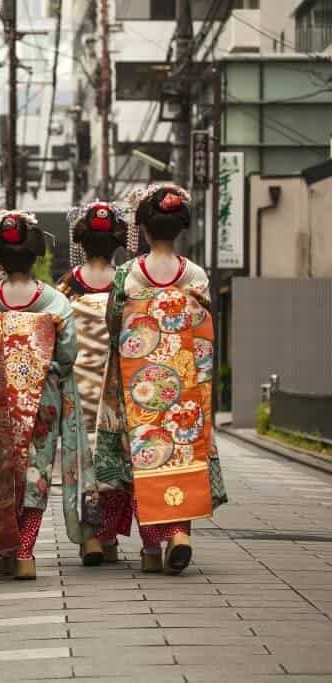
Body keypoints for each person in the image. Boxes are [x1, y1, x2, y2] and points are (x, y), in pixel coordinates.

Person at [94, 185, 229, 575]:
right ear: (179, 228)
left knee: (145, 457)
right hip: (184, 382)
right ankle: (180, 536)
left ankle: (152, 549)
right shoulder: (197, 276)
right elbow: (205, 333)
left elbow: (113, 325)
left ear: (145, 230)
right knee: (181, 451)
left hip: (138, 382)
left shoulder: (127, 275)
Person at [0, 210, 100, 580]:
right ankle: (24, 552)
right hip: (44, 396)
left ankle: (6, 548)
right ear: (36, 255)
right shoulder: (54, 303)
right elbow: (68, 355)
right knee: (36, 472)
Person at [57, 200, 136, 566]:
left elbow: (57, 337)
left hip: (78, 384)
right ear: (118, 242)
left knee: (81, 457)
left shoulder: (67, 286)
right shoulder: (127, 282)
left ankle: (88, 537)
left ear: (82, 242)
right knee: (115, 459)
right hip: (115, 384)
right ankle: (107, 539)